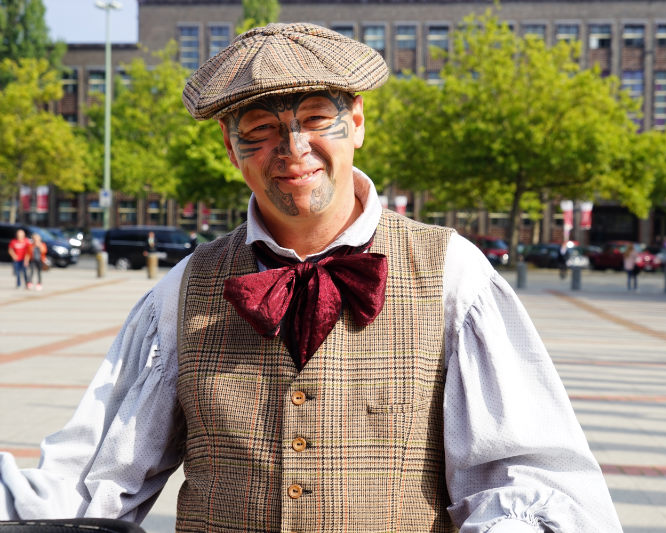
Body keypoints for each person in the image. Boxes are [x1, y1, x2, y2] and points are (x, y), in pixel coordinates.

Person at [0, 24, 622, 532]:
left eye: (315, 117)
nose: (292, 148)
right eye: (261, 130)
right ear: (229, 145)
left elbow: (526, 480)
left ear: (356, 120)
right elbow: (89, 485)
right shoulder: (181, 292)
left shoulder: (454, 275)